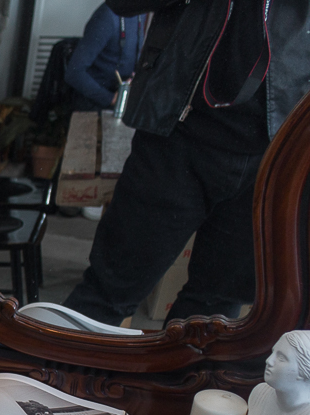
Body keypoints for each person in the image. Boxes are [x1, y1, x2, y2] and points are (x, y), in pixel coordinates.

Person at [62, 0, 310, 325]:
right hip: (173, 136)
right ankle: (53, 373)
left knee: (214, 315)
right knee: (107, 293)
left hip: (276, 151)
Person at [64, 3, 144, 111]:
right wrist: (110, 99)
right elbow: (74, 73)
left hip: (118, 102)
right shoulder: (107, 16)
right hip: (93, 106)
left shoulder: (140, 14)